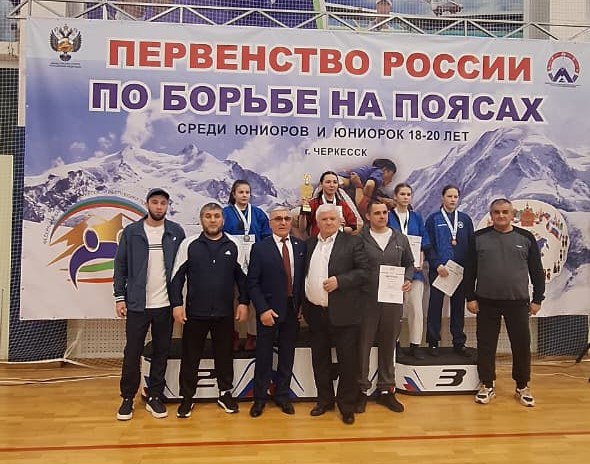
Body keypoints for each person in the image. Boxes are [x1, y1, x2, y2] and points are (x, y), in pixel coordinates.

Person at [170, 202, 249, 418]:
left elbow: (243, 278)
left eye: (216, 216)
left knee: (224, 355)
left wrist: (243, 302)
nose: (212, 220)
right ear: (201, 220)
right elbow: (176, 277)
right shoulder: (189, 244)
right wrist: (177, 304)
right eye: (208, 216)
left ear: (222, 220)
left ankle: (225, 393)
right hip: (194, 313)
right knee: (190, 356)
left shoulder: (234, 244)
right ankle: (187, 397)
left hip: (224, 313)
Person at [113, 188, 185, 421]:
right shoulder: (132, 232)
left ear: (167, 206)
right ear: (147, 204)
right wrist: (119, 297)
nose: (159, 207)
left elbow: (182, 268)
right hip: (137, 305)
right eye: (155, 202)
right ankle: (127, 398)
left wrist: (178, 302)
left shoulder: (176, 231)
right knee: (132, 352)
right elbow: (120, 266)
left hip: (165, 305)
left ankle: (155, 396)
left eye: (163, 203)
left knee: (161, 352)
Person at [465, 198, 545, 407]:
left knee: (521, 345)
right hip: (486, 302)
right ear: (491, 215)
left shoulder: (526, 238)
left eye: (505, 212)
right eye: (496, 212)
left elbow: (537, 271)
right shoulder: (478, 238)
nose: (500, 215)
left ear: (512, 214)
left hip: (517, 302)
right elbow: (469, 271)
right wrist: (470, 297)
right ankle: (487, 385)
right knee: (486, 345)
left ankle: (522, 386)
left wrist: (538, 299)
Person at [303, 203, 369, 425]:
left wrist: (340, 281)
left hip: (345, 313)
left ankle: (346, 406)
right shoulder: (309, 244)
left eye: (332, 218)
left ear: (340, 221)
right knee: (320, 360)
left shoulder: (352, 242)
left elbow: (365, 272)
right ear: (317, 222)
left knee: (348, 362)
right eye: (324, 219)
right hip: (315, 313)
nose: (329, 222)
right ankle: (324, 401)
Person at [247, 207, 306, 418]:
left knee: (287, 355)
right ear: (270, 223)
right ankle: (259, 398)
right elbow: (252, 283)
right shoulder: (260, 248)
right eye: (278, 219)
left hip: (292, 310)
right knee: (263, 356)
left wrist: (302, 306)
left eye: (287, 218)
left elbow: (303, 279)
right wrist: (262, 309)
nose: (283, 222)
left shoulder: (300, 246)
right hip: (268, 311)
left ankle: (282, 395)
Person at [357, 201, 414, 414]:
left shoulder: (400, 239)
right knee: (363, 346)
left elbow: (410, 264)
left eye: (384, 213)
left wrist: (408, 279)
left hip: (392, 300)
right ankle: (361, 391)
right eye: (377, 213)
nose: (382, 216)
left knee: (389, 344)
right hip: (366, 301)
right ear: (368, 216)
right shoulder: (359, 239)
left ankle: (386, 390)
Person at [223, 180, 272, 352]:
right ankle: (234, 334)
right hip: (232, 262)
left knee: (254, 298)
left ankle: (253, 335)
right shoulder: (225, 213)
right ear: (234, 194)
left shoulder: (258, 213)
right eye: (241, 192)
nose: (244, 195)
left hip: (255, 261)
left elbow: (266, 236)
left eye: (247, 192)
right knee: (233, 299)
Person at [425, 185, 474, 357]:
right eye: (449, 196)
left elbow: (471, 244)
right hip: (439, 270)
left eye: (455, 197)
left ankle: (459, 342)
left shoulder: (465, 219)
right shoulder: (433, 219)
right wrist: (437, 264)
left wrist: (468, 268)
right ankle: (433, 342)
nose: (453, 199)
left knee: (458, 307)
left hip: (458, 271)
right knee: (435, 306)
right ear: (442, 198)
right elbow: (428, 245)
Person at [387, 183, 430, 360]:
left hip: (414, 271)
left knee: (416, 309)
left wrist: (421, 258)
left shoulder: (416, 217)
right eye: (402, 194)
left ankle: (415, 345)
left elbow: (423, 240)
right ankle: (394, 344)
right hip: (393, 270)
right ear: (395, 196)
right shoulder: (388, 216)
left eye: (408, 194)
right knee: (394, 311)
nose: (405, 197)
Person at [300, 170, 359, 238]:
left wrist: (341, 228)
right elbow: (302, 229)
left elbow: (353, 227)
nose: (332, 185)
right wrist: (303, 213)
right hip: (318, 241)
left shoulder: (343, 205)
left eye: (335, 182)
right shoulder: (313, 204)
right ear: (321, 184)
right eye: (328, 182)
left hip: (338, 242)